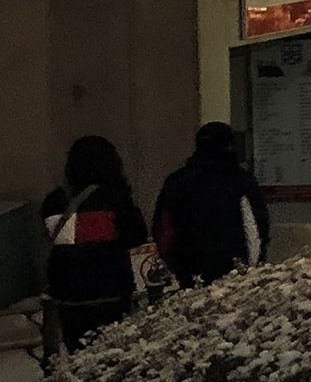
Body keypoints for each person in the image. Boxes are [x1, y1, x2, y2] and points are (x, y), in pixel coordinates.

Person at [41, 135, 150, 350]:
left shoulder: (54, 202)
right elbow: (136, 236)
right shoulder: (116, 198)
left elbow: (55, 238)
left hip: (67, 292)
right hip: (109, 289)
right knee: (110, 348)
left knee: (77, 348)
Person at [154, 122, 273, 288]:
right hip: (235, 274)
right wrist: (252, 266)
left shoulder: (177, 182)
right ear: (230, 145)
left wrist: (177, 267)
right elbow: (255, 230)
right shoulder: (242, 181)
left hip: (190, 273)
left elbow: (164, 232)